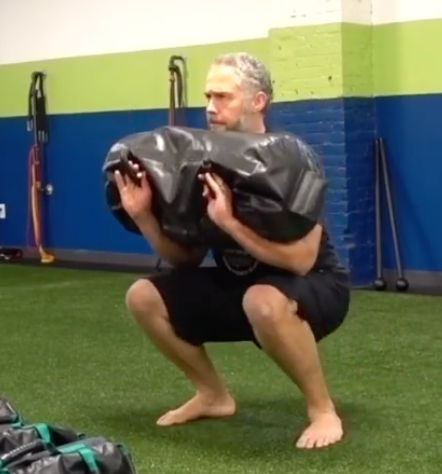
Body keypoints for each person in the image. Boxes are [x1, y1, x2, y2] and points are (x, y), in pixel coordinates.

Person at [113, 52, 351, 450]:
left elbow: (301, 260)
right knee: (142, 296)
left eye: (223, 97)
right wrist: (144, 217)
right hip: (242, 287)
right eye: (208, 96)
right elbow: (185, 260)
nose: (211, 107)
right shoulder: (202, 162)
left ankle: (322, 409)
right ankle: (212, 396)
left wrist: (229, 224)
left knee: (262, 300)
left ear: (258, 101)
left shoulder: (292, 161)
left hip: (316, 285)